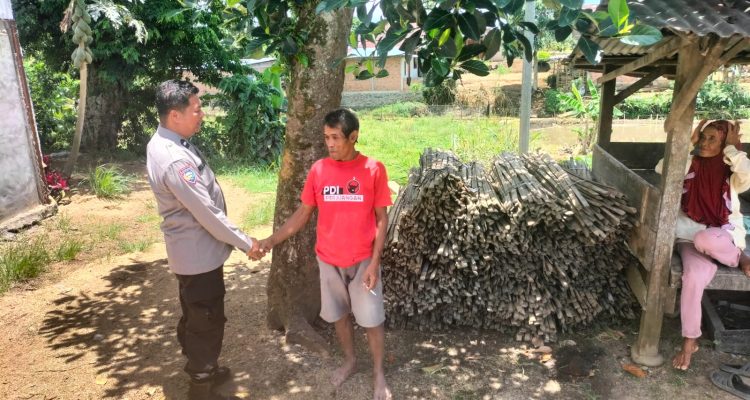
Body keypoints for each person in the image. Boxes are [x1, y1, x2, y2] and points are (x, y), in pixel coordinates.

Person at [258, 109, 393, 400]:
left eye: (335, 138)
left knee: (372, 320)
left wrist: (374, 262)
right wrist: (271, 240)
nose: (330, 144)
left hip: (363, 262)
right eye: (326, 137)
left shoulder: (373, 169)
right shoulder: (319, 170)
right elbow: (303, 214)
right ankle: (350, 361)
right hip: (329, 260)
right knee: (339, 317)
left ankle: (378, 373)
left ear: (353, 137)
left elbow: (382, 219)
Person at [146, 79, 264, 400]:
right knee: (206, 320)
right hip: (198, 257)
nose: (202, 115)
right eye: (197, 110)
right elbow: (207, 214)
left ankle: (205, 368)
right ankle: (200, 384)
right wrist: (246, 243)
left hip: (191, 253)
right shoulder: (175, 160)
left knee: (195, 312)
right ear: (175, 115)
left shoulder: (165, 141)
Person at [656, 119, 750, 370]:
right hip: (688, 237)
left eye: (713, 139)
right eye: (703, 137)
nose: (705, 144)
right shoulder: (690, 163)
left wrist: (731, 149)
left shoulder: (732, 171)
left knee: (705, 239)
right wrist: (689, 144)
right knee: (694, 277)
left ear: (725, 143)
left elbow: (748, 174)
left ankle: (738, 256)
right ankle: (690, 340)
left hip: (721, 235)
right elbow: (663, 168)